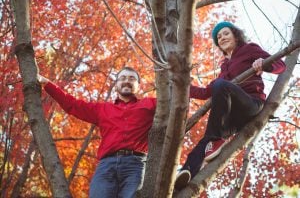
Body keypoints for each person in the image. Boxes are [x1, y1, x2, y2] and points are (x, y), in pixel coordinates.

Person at [175, 21, 286, 190]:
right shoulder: (224, 67)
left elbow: (281, 66)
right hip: (233, 118)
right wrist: (182, 86)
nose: (222, 38)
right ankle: (186, 174)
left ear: (235, 35)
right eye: (218, 37)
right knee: (205, 142)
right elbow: (206, 92)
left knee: (221, 86)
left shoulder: (248, 49)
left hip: (251, 104)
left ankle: (217, 139)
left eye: (225, 33)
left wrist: (263, 63)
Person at [38, 67, 156, 198]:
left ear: (138, 85)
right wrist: (47, 84)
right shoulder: (103, 109)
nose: (126, 81)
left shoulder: (151, 104)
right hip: (106, 166)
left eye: (131, 78)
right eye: (122, 78)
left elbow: (176, 109)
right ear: (116, 85)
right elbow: (73, 105)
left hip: (136, 165)